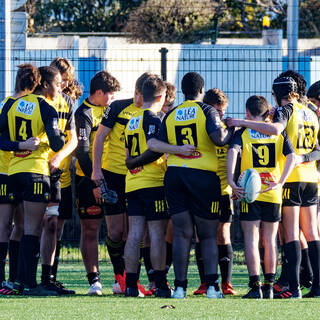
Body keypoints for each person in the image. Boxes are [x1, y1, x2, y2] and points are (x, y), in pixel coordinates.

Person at [227, 76, 320, 298]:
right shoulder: (311, 112)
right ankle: (317, 285)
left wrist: (242, 123)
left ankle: (294, 287)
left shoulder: (284, 110)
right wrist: (303, 156)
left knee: (290, 234)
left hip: (291, 179)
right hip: (311, 178)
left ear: (276, 95)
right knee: (312, 233)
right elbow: (317, 149)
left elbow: (277, 130)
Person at [147, 72, 233, 298]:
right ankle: (213, 287)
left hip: (175, 176)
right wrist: (232, 129)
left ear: (183, 91)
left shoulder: (171, 113)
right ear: (202, 90)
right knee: (207, 234)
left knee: (181, 234)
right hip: (203, 176)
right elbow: (219, 139)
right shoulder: (207, 110)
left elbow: (156, 143)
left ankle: (180, 287)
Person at [0, 66, 65, 296]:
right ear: (43, 84)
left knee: (12, 227)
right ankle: (27, 282)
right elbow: (57, 144)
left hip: (13, 171)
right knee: (32, 228)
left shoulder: (12, 105)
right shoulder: (45, 107)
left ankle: (14, 281)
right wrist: (59, 138)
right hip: (36, 171)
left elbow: (2, 137)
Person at [91, 72, 154, 295]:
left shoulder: (153, 112)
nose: (141, 98)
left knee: (138, 232)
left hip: (138, 177)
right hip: (114, 175)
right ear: (136, 92)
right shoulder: (118, 107)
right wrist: (96, 170)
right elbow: (99, 138)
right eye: (139, 94)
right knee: (116, 231)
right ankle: (120, 277)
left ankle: (139, 280)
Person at [227, 95, 296, 299]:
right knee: (270, 240)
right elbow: (292, 157)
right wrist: (282, 181)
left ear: (247, 112)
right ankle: (269, 286)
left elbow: (232, 152)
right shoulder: (278, 133)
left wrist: (231, 181)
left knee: (251, 239)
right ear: (267, 113)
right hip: (272, 191)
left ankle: (255, 286)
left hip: (250, 193)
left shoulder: (243, 132)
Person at [75, 71, 120, 295]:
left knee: (118, 230)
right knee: (91, 228)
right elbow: (82, 152)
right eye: (110, 95)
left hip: (113, 177)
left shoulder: (113, 109)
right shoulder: (83, 113)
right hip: (88, 179)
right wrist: (94, 181)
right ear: (99, 92)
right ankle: (94, 280)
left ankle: (119, 277)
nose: (112, 99)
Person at [39, 57, 80, 295]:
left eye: (67, 81)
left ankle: (49, 277)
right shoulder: (36, 102)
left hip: (60, 175)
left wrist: (59, 156)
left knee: (56, 226)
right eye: (61, 81)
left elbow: (72, 138)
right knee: (29, 224)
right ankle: (21, 277)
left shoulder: (67, 102)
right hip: (34, 171)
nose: (64, 85)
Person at [0, 64, 41, 293]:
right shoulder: (10, 105)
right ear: (35, 84)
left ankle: (13, 278)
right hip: (6, 171)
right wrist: (21, 145)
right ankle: (5, 278)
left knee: (17, 225)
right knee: (9, 225)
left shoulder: (31, 105)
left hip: (16, 171)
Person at [193, 88, 236, 296]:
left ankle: (226, 283)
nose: (220, 114)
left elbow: (238, 156)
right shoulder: (202, 127)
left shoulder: (230, 130)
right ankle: (204, 283)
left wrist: (236, 182)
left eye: (223, 110)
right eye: (217, 110)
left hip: (224, 190)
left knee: (223, 233)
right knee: (201, 235)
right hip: (203, 190)